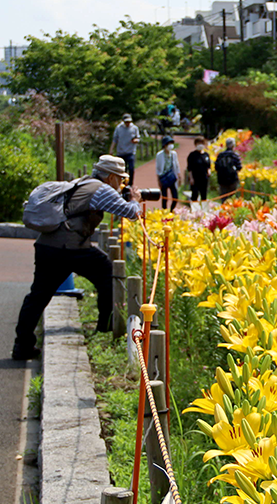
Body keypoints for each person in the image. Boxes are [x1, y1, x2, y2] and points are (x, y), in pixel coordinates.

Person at [12, 155, 142, 361]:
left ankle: (22, 346)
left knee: (37, 296)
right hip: (70, 248)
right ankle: (104, 328)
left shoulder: (81, 182)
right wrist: (135, 200)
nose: (122, 184)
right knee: (108, 274)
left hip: (47, 245)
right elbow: (131, 213)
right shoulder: (103, 189)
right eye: (121, 179)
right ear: (110, 177)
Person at [109, 113, 140, 185]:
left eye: (129, 122)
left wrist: (136, 140)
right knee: (122, 170)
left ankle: (130, 184)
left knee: (131, 169)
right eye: (126, 122)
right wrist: (111, 149)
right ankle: (122, 183)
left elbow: (138, 138)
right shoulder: (119, 128)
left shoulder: (134, 128)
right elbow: (115, 140)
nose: (127, 123)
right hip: (121, 152)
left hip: (130, 152)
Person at [156, 135, 181, 209]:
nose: (170, 146)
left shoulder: (174, 154)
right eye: (168, 144)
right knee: (164, 197)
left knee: (175, 197)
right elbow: (157, 168)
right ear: (164, 145)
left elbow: (176, 165)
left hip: (172, 177)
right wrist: (158, 180)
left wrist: (179, 176)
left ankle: (171, 210)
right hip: (163, 177)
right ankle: (164, 211)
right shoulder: (159, 155)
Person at [186, 137, 211, 202]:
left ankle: (204, 210)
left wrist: (209, 171)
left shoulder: (206, 155)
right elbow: (189, 168)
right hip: (195, 178)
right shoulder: (192, 155)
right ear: (195, 144)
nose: (200, 145)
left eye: (202, 143)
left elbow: (208, 166)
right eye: (198, 143)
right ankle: (194, 209)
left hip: (204, 178)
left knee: (204, 195)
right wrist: (191, 178)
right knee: (195, 194)